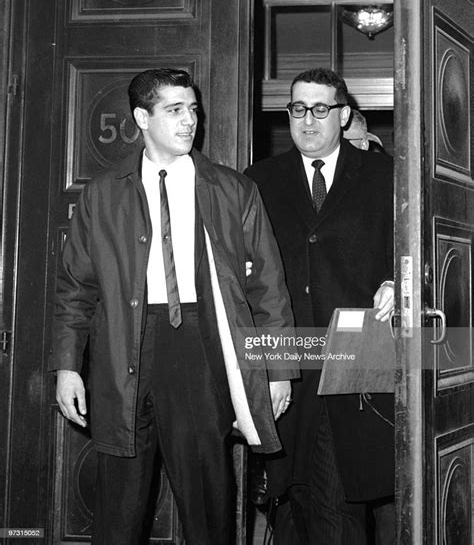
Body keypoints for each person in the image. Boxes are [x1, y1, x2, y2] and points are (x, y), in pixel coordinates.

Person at [49, 68, 298, 545]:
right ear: (142, 117)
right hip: (124, 346)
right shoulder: (102, 194)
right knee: (119, 507)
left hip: (199, 347)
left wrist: (280, 368)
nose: (190, 121)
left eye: (194, 110)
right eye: (175, 110)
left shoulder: (232, 189)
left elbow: (269, 286)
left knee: (208, 500)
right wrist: (67, 366)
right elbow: (75, 289)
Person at [246, 68, 395, 545]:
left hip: (354, 353)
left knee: (340, 497)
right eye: (297, 109)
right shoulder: (260, 180)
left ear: (344, 113)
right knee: (290, 499)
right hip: (286, 354)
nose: (307, 120)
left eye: (320, 109)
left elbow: (417, 247)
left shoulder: (382, 173)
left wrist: (399, 280)